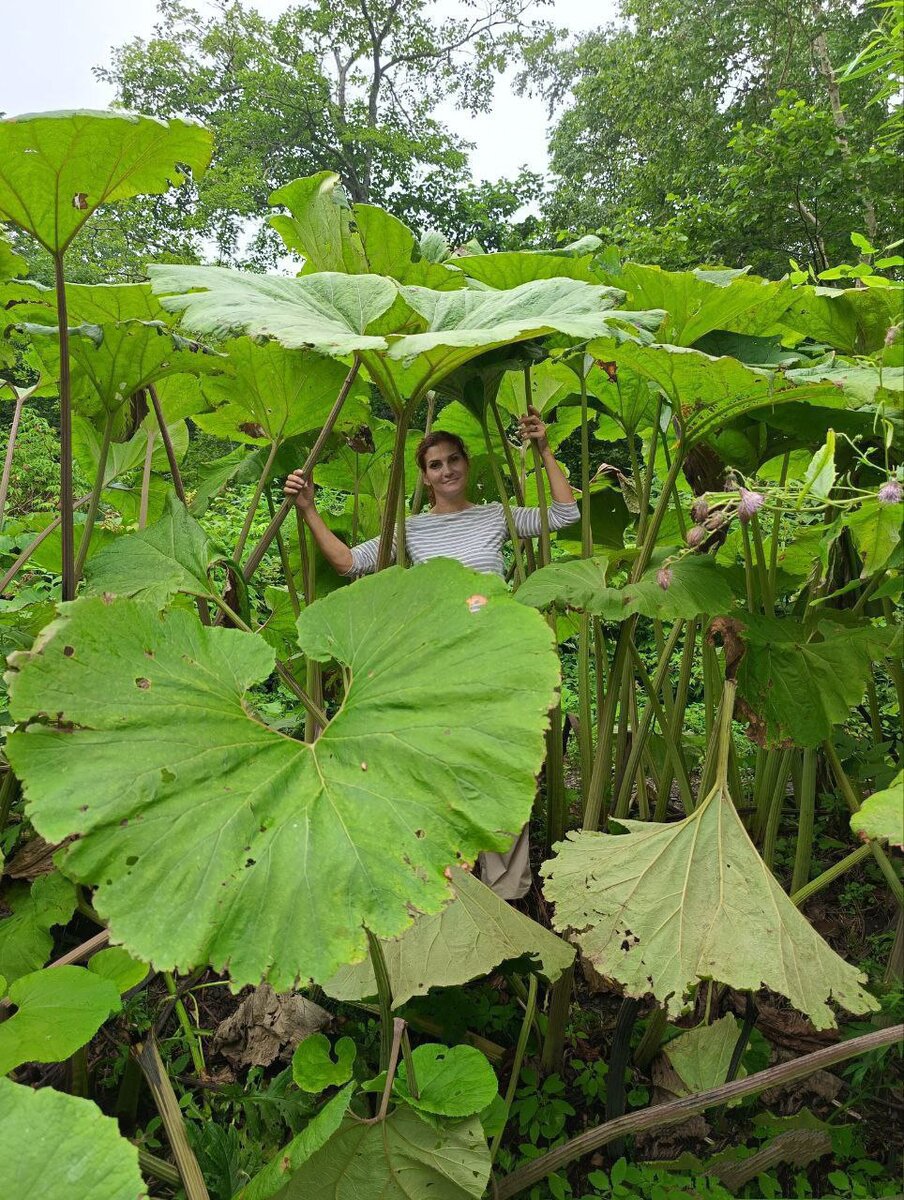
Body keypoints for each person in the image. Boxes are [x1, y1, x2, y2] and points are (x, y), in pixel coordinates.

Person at [284, 404, 579, 900]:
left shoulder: (496, 514)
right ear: (424, 476)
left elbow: (567, 515)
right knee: (447, 769)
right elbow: (345, 563)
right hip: (437, 665)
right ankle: (457, 890)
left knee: (498, 765)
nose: (447, 470)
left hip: (494, 658)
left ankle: (506, 892)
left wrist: (544, 449)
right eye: (436, 465)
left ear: (467, 464)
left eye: (453, 460)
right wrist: (309, 508)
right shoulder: (412, 529)